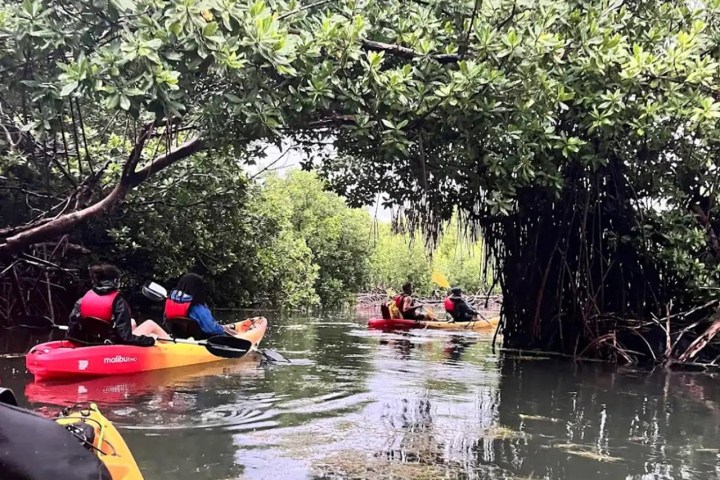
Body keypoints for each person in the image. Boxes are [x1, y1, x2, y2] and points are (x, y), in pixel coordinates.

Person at [67, 264, 167, 346]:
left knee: (132, 322)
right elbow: (126, 338)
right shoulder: (119, 303)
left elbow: (72, 326)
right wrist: (149, 340)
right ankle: (175, 347)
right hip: (114, 345)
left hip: (91, 341)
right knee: (150, 324)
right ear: (115, 281)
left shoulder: (83, 299)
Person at [164, 273, 234, 338]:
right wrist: (223, 329)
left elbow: (166, 321)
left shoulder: (170, 300)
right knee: (226, 330)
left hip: (180, 338)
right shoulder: (196, 305)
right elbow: (211, 329)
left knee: (225, 328)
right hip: (202, 340)